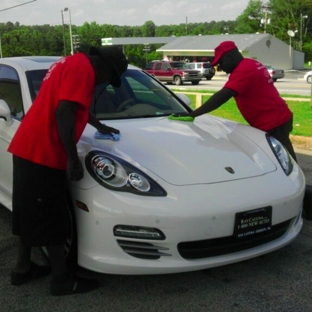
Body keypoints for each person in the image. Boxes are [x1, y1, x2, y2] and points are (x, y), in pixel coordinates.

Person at [8, 46, 128, 296]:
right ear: (104, 65)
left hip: (27, 146)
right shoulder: (84, 69)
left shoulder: (70, 63)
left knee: (29, 212)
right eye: (110, 76)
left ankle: (22, 269)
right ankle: (61, 279)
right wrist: (72, 158)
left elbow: (70, 105)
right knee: (52, 216)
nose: (105, 82)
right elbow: (64, 111)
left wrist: (99, 125)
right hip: (43, 151)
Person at [187, 41, 297, 161]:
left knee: (282, 162)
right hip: (280, 118)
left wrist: (193, 114)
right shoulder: (252, 63)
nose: (221, 68)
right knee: (279, 158)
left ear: (229, 57)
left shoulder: (243, 70)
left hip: (273, 124)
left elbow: (223, 96)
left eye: (220, 63)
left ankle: (295, 179)